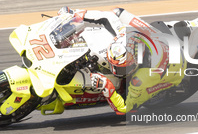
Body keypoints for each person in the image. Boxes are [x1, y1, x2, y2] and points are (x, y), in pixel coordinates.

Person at [57, 6, 186, 114]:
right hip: (154, 37)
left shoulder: (141, 78)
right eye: (116, 66)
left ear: (136, 63)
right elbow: (108, 17)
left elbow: (125, 109)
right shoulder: (123, 34)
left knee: (130, 91)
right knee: (117, 12)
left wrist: (106, 86)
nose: (116, 71)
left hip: (172, 67)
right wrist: (75, 14)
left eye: (123, 68)